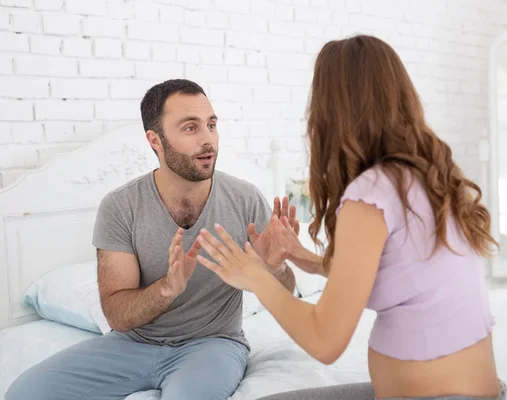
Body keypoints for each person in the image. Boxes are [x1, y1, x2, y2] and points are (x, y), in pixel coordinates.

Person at [194, 35, 507, 400]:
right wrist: (305, 259)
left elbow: (325, 342)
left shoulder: (370, 194)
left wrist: (256, 277)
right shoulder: (426, 175)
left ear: (331, 109)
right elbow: (401, 270)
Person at [6, 79, 298, 400]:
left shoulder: (244, 198)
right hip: (132, 345)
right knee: (24, 391)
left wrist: (276, 268)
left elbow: (285, 295)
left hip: (212, 343)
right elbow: (117, 315)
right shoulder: (121, 207)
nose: (208, 140)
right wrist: (167, 288)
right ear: (155, 139)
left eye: (211, 125)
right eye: (190, 128)